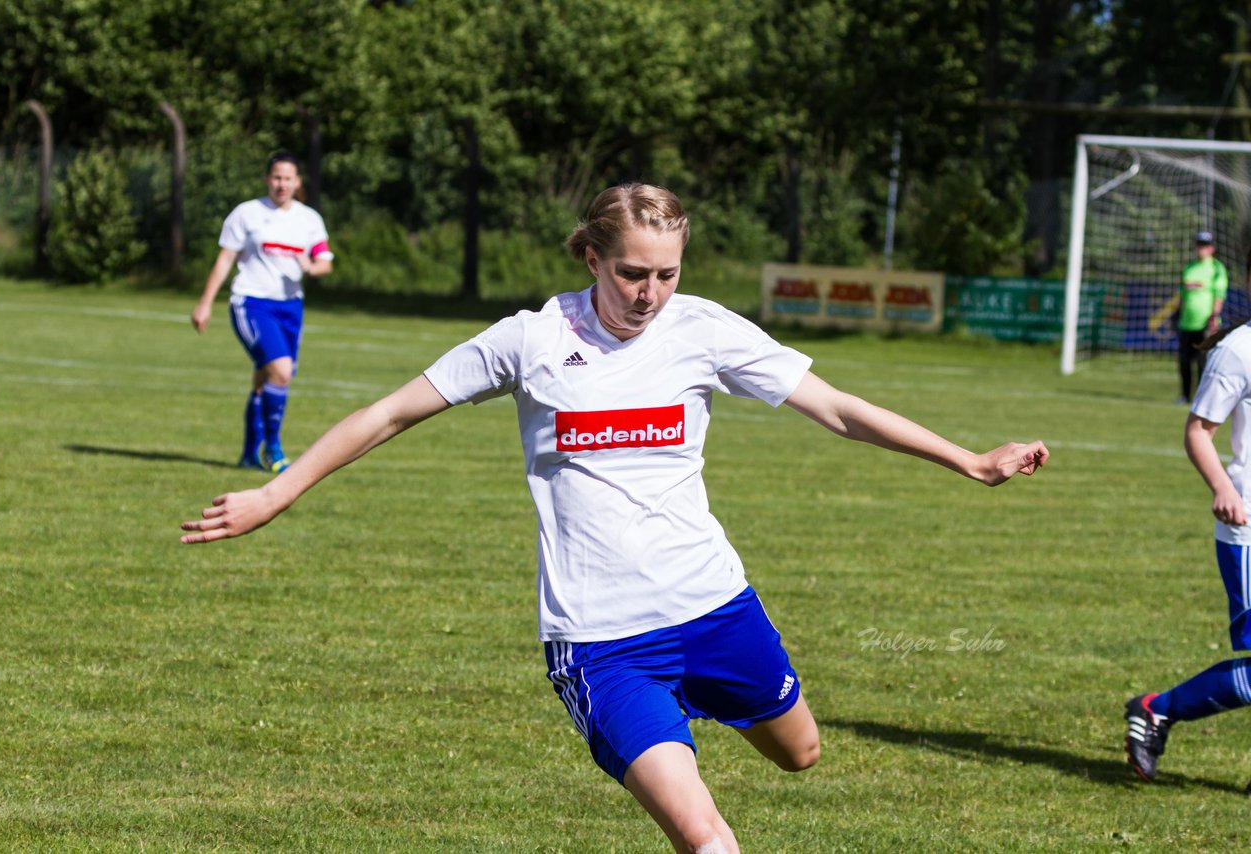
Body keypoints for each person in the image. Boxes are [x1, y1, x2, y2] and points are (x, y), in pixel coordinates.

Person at [181, 183, 1048, 853]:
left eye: (667, 274)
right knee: (706, 836)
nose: (649, 293)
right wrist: (276, 491)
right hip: (602, 641)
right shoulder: (527, 340)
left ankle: (696, 708)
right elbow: (389, 414)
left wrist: (968, 459)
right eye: (632, 271)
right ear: (592, 256)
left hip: (715, 607)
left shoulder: (702, 331)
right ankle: (659, 725)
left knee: (802, 754)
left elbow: (837, 408)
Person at [1125, 319, 1251, 783]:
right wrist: (1223, 486)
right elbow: (1198, 430)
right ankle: (1158, 709)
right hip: (1248, 530)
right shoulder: (1239, 351)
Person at [191, 151, 334, 473]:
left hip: (290, 308)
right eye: (276, 177)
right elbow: (225, 259)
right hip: (251, 302)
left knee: (264, 379)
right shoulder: (247, 214)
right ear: (266, 179)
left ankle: (247, 454)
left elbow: (326, 262)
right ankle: (273, 448)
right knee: (280, 372)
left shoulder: (309, 219)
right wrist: (204, 303)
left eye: (287, 178)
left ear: (297, 182)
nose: (281, 184)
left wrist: (311, 267)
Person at [1175, 230, 1228, 404]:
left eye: (1205, 245)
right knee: (1184, 362)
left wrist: (1213, 316)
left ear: (1212, 248)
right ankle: (1184, 395)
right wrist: (1177, 315)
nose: (1201, 248)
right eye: (1199, 244)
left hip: (1205, 324)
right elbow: (1183, 295)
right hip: (1186, 323)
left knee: (1203, 363)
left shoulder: (1216, 269)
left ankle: (1201, 397)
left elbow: (1219, 295)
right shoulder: (1189, 269)